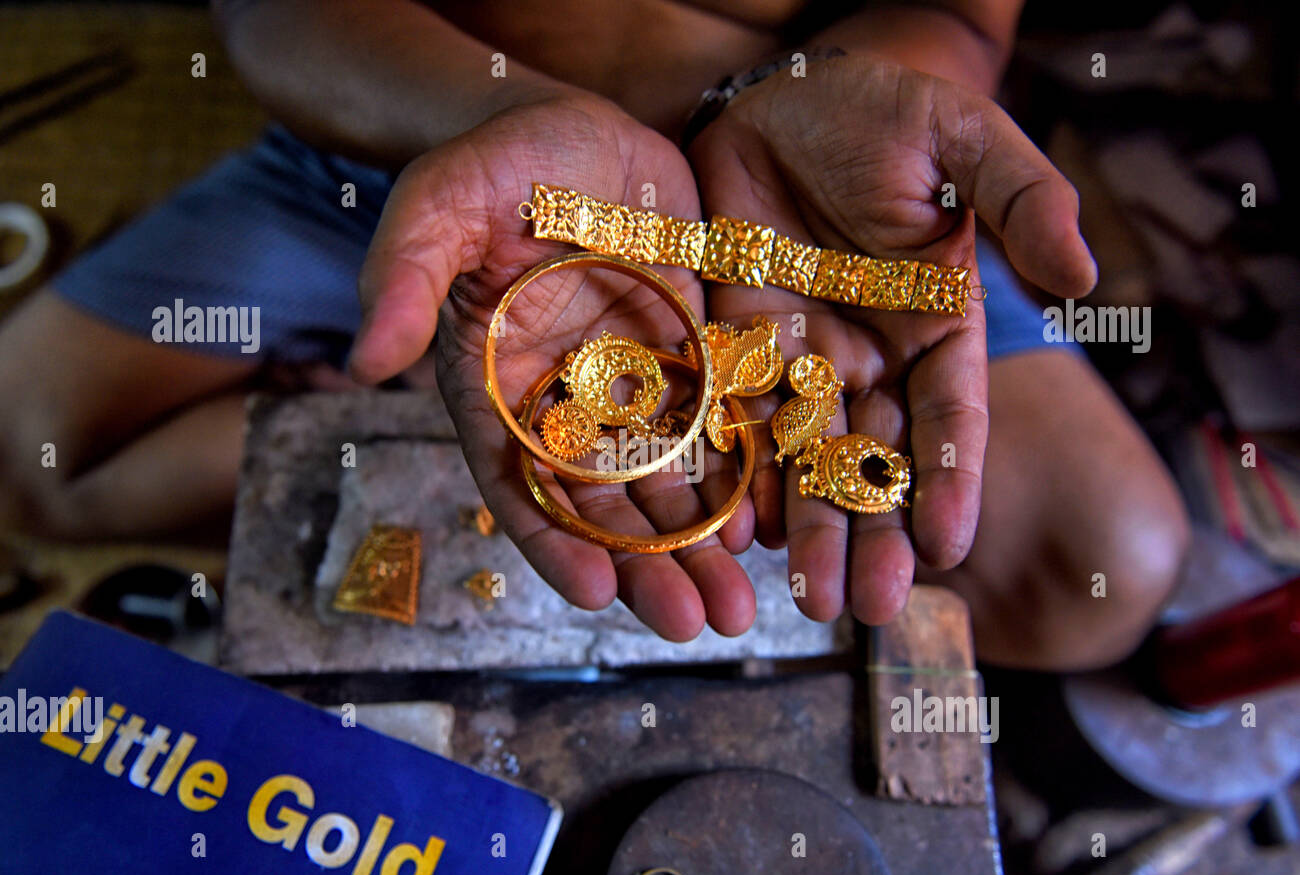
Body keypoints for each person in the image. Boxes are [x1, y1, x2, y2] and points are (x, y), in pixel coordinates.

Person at [0, 0, 1189, 669]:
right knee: (42, 463)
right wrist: (497, 118)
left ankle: (445, 394)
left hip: (818, 187)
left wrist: (832, 88)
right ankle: (436, 384)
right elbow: (277, 13)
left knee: (1108, 566)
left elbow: (953, 18)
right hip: (416, 138)